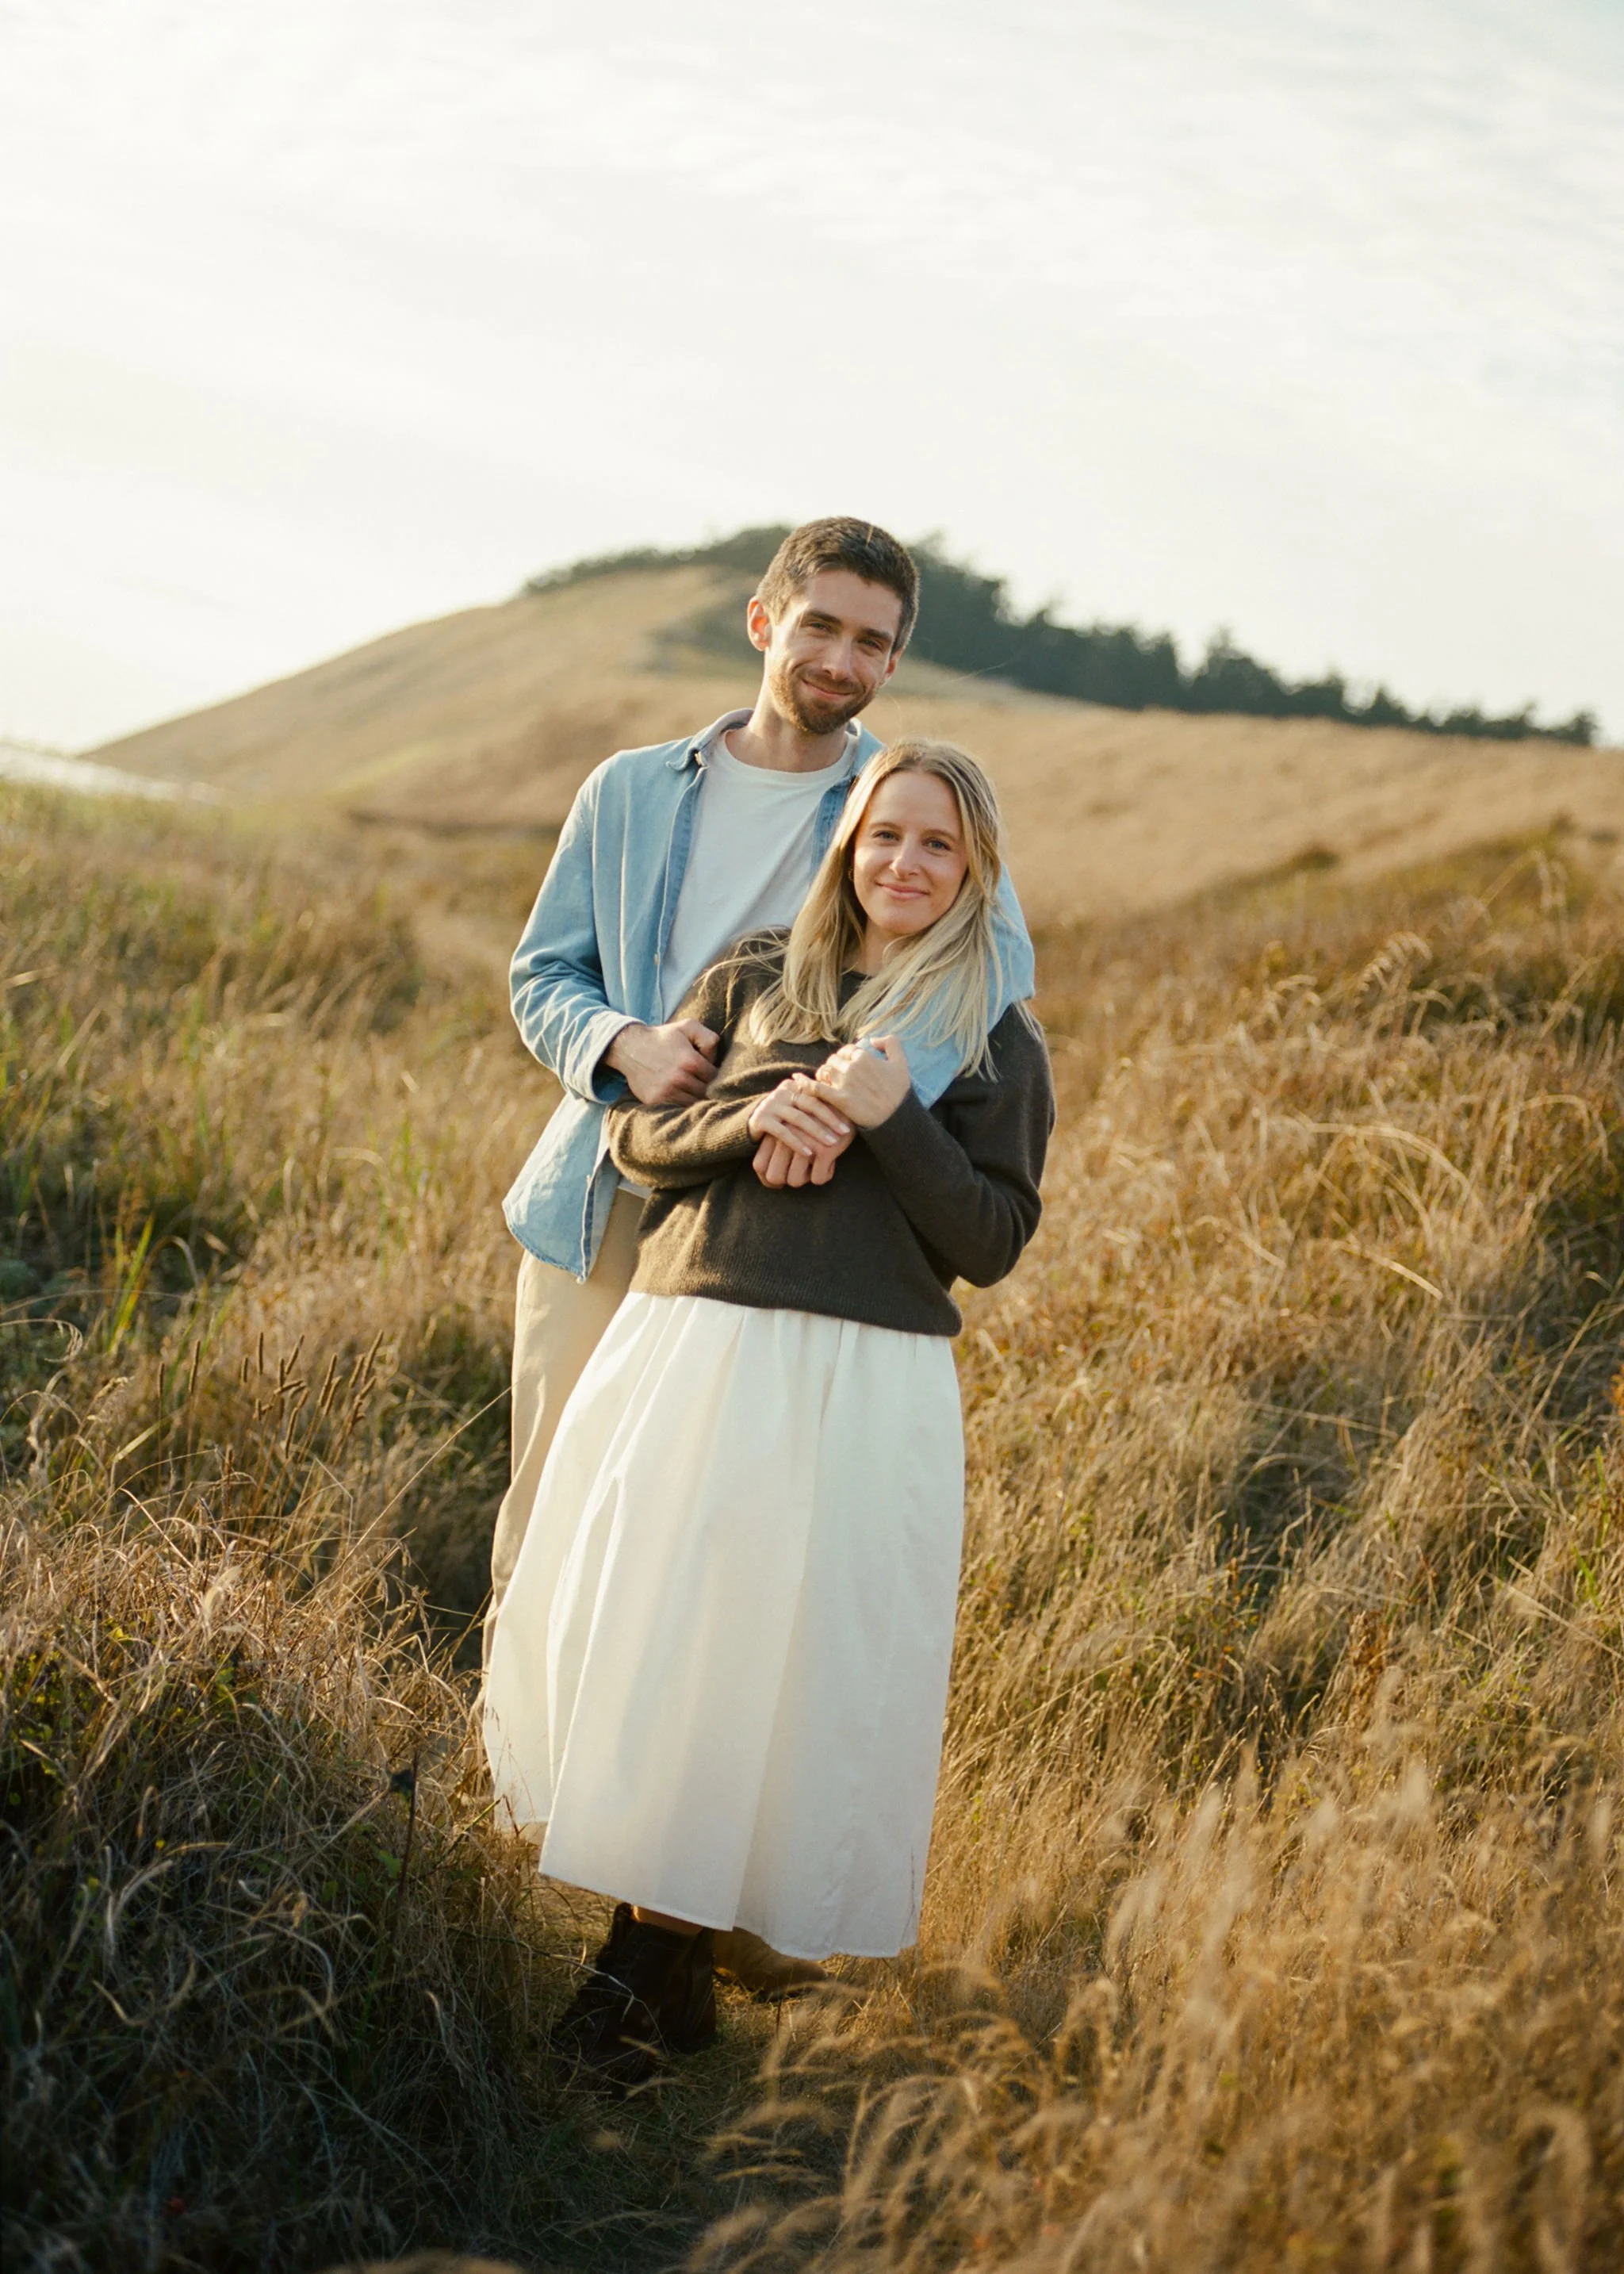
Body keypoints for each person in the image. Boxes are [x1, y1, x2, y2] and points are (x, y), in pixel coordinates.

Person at [492, 518, 1036, 1996]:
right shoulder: (630, 791)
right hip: (615, 1192)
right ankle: (538, 1846)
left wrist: (845, 1109)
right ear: (763, 622)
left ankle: (708, 1900)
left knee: (751, 1562)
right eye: (825, 629)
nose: (846, 663)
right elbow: (545, 973)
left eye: (876, 642)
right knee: (576, 1521)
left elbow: (992, 977)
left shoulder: (894, 802)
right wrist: (629, 1047)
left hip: (792, 1226)